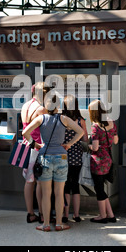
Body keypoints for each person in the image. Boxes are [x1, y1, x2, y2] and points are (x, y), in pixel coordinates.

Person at [22, 93, 84, 232]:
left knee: (46, 193)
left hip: (45, 157)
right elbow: (80, 132)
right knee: (59, 192)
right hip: (61, 157)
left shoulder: (41, 118)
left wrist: (36, 144)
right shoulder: (64, 119)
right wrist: (69, 144)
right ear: (58, 106)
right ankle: (59, 223)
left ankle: (45, 225)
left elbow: (25, 132)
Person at [21, 82, 48, 223]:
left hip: (25, 145)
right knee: (39, 181)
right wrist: (37, 144)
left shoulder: (25, 105)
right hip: (36, 147)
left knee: (29, 181)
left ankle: (30, 213)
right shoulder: (41, 109)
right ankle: (42, 214)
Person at [88, 99, 118, 223]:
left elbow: (94, 147)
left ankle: (102, 216)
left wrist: (86, 146)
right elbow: (115, 141)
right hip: (108, 160)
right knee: (102, 188)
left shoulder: (95, 127)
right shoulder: (111, 122)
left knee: (99, 189)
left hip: (98, 161)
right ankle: (110, 215)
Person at [62, 95, 88, 223]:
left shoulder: (62, 120)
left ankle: (65, 214)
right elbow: (85, 140)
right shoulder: (80, 120)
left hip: (63, 155)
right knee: (75, 185)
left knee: (65, 185)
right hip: (77, 156)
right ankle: (76, 215)